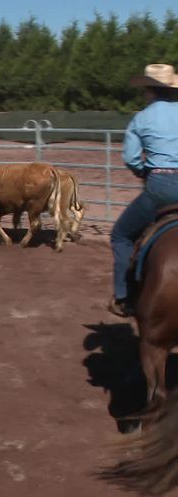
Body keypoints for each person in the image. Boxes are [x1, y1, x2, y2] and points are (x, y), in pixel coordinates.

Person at [109, 63, 178, 317]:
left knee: (121, 235)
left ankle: (123, 295)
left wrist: (142, 170)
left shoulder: (142, 118)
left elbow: (131, 157)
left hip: (159, 187)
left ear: (149, 90)